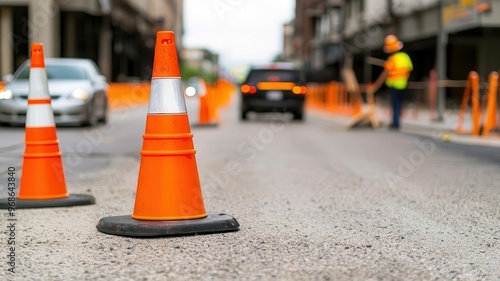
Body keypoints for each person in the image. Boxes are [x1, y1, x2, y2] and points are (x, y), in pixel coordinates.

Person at [370, 34, 413, 129]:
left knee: (395, 103)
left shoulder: (392, 60)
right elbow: (408, 70)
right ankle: (397, 121)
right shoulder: (405, 56)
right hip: (403, 84)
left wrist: (376, 86)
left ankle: (395, 122)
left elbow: (385, 74)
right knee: (399, 103)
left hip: (394, 85)